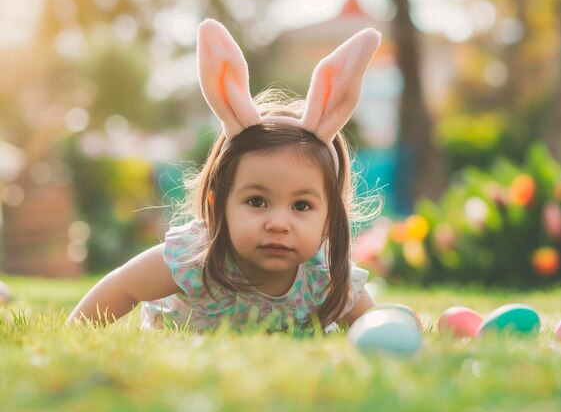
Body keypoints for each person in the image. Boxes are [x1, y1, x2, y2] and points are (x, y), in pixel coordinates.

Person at [67, 19, 382, 332]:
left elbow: (374, 324)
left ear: (328, 218)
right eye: (257, 201)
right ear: (218, 204)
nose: (278, 223)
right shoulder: (194, 258)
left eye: (301, 206)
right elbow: (125, 286)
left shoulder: (325, 278)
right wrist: (75, 332)